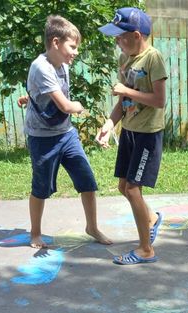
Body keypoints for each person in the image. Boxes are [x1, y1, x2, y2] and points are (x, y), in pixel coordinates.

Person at [20, 15, 112, 249]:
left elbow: (47, 94)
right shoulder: (40, 67)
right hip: (43, 139)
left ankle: (92, 227)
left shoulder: (62, 65)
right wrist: (79, 106)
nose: (75, 52)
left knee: (87, 181)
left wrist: (30, 97)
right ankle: (35, 233)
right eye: (72, 46)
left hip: (66, 134)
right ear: (55, 42)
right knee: (41, 188)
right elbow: (65, 105)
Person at [96, 7, 167, 265]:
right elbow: (123, 100)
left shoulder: (152, 58)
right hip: (129, 131)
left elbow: (159, 100)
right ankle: (151, 219)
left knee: (133, 189)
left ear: (137, 35)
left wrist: (127, 89)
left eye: (120, 36)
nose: (116, 41)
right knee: (123, 186)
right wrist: (109, 124)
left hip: (148, 134)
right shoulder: (124, 60)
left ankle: (146, 249)